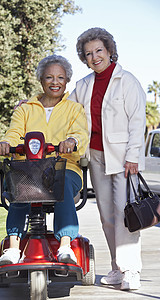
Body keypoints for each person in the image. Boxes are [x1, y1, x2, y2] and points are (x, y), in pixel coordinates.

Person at [68, 27, 146, 290]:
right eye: (88, 53)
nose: (94, 56)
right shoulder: (83, 85)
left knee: (126, 215)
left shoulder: (127, 80)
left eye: (99, 50)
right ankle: (116, 268)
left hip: (124, 159)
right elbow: (63, 109)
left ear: (110, 51)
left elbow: (137, 121)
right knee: (106, 216)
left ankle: (131, 270)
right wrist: (31, 103)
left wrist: (133, 155)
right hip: (97, 156)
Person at [0, 55, 89, 266]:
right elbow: (14, 133)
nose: (55, 82)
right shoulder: (25, 108)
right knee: (20, 181)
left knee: (61, 181)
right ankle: (13, 248)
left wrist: (72, 141)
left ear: (67, 81)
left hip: (64, 166)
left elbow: (81, 134)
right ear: (41, 80)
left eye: (60, 77)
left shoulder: (74, 109)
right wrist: (5, 144)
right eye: (49, 77)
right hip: (29, 167)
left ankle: (65, 246)